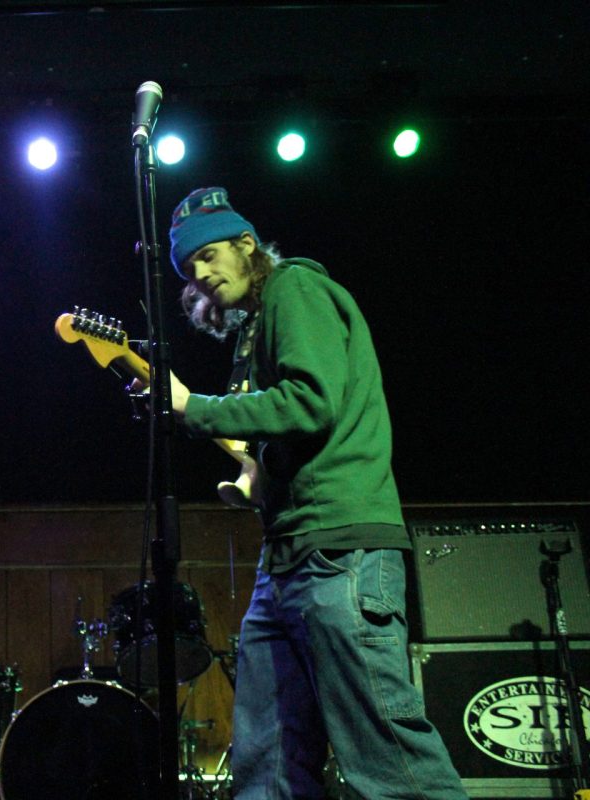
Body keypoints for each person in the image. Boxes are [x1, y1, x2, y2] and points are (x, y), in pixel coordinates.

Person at [163, 187, 467, 798]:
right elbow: (277, 437)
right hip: (286, 557)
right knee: (267, 762)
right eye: (189, 268)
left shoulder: (295, 289)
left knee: (387, 757)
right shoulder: (254, 333)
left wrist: (194, 407)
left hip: (340, 552)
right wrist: (253, 472)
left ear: (247, 246)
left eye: (210, 254)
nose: (200, 272)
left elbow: (312, 401)